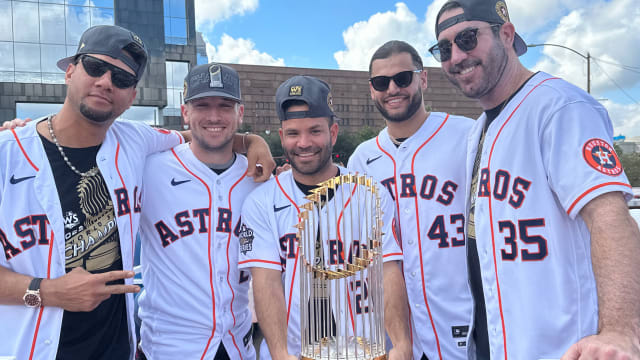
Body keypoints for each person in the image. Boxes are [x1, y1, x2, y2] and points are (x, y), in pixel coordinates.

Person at [0, 25, 273, 360]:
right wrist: (46, 291)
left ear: (131, 96)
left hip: (119, 348)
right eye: (95, 68)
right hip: (30, 348)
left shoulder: (135, 142)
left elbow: (202, 136)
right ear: (70, 70)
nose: (105, 82)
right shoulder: (6, 153)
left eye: (122, 78)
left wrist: (254, 142)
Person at [430, 0, 640, 359]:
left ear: (507, 35)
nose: (456, 56)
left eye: (467, 38)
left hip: (562, 347)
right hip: (493, 341)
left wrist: (621, 330)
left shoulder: (562, 107)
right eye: (443, 48)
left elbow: (610, 217)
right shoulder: (478, 129)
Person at [238, 75, 412, 359]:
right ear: (282, 138)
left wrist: (402, 343)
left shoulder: (371, 193)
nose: (304, 142)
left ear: (332, 133)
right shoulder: (261, 201)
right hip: (298, 351)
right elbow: (266, 283)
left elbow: (388, 272)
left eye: (314, 130)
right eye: (293, 133)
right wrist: (280, 353)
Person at [348, 40, 474, 360]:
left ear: (423, 79)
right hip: (393, 334)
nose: (392, 88)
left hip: (462, 317)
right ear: (371, 90)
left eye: (403, 78)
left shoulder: (467, 136)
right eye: (381, 82)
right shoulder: (362, 159)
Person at [136, 63, 257, 359]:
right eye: (202, 105)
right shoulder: (148, 167)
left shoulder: (259, 178)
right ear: (185, 112)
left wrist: (256, 142)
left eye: (225, 105)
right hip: (167, 349)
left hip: (238, 345)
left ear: (239, 113)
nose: (214, 116)